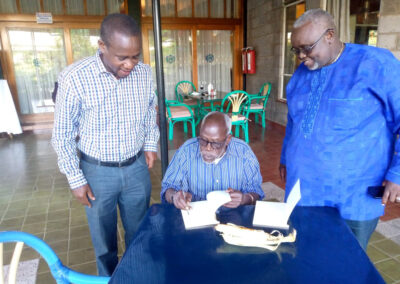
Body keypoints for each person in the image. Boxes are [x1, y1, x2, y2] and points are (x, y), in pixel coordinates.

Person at [279, 9, 400, 250]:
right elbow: (294, 121)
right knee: (305, 254)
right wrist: (285, 158)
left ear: (330, 35)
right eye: (296, 49)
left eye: (307, 48)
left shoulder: (376, 64)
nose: (301, 56)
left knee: (347, 262)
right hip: (304, 193)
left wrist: (397, 174)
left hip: (355, 196)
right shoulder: (302, 73)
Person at [51, 14, 159, 276]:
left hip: (136, 169)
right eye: (121, 57)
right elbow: (62, 134)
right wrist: (75, 179)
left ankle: (137, 276)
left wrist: (150, 144)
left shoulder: (144, 73)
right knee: (104, 243)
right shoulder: (75, 78)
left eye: (135, 55)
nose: (130, 64)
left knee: (139, 235)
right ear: (102, 46)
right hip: (96, 173)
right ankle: (109, 280)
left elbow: (149, 113)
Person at [161, 111, 264, 209]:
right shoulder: (186, 151)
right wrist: (174, 196)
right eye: (203, 140)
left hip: (234, 216)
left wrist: (246, 198)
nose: (208, 148)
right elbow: (169, 187)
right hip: (195, 215)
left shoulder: (243, 153)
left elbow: (256, 190)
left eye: (216, 143)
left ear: (228, 139)